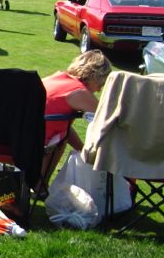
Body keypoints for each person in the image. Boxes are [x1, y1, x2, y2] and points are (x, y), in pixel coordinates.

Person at [41, 50, 112, 185]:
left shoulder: (55, 78)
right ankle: (40, 185)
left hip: (15, 136)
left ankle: (38, 185)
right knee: (59, 140)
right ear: (95, 77)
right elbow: (107, 118)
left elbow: (64, 126)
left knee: (61, 135)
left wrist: (81, 149)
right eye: (100, 85)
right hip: (39, 142)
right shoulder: (79, 91)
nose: (98, 90)